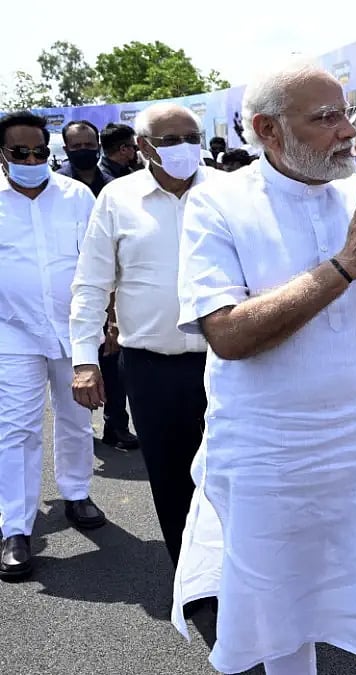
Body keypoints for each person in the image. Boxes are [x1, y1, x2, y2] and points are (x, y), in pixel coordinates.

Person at [169, 59, 356, 675]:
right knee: (278, 615)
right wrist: (346, 265)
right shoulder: (217, 205)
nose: (347, 130)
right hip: (271, 452)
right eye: (325, 118)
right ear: (268, 130)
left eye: (347, 113)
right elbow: (229, 334)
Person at [69, 102, 213, 570]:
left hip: (232, 359)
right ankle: (192, 577)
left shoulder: (230, 192)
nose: (184, 149)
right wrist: (85, 359)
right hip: (153, 365)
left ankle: (245, 573)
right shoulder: (117, 199)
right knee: (172, 476)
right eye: (170, 141)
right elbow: (92, 282)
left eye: (191, 137)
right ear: (144, 147)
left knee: (241, 473)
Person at [0, 111, 106, 580]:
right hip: (12, 331)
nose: (30, 159)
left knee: (76, 417)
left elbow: (99, 264)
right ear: (3, 155)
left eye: (39, 151)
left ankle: (76, 494)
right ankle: (15, 528)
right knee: (17, 429)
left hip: (73, 329)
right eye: (19, 152)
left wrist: (110, 320)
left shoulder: (76, 196)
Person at [57, 120, 140, 453]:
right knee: (68, 367)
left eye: (88, 144)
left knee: (111, 361)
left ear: (98, 145)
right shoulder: (56, 187)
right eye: (75, 147)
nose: (83, 151)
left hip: (105, 288)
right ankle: (75, 432)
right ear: (66, 150)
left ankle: (115, 425)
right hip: (63, 290)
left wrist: (113, 311)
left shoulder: (117, 185)